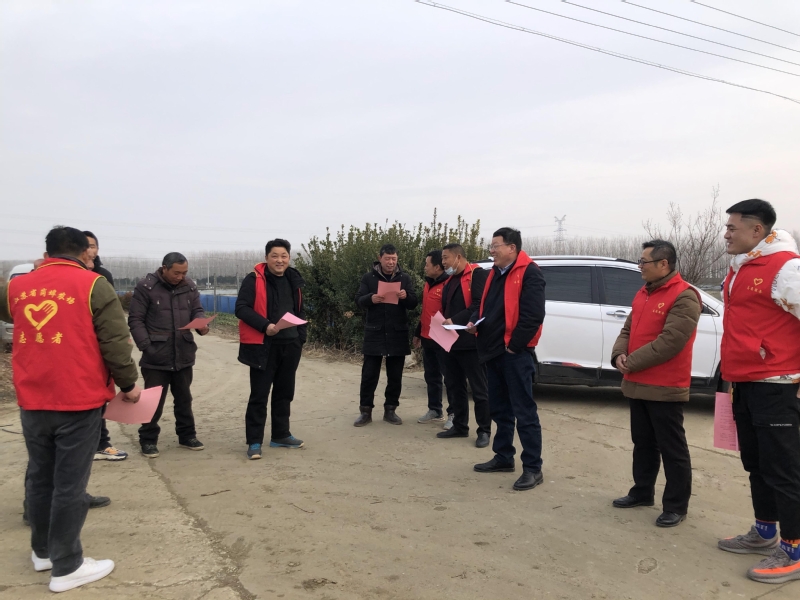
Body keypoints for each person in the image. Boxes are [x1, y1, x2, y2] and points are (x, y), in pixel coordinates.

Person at [0, 226, 141, 592]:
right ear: (83, 253)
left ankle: (43, 552)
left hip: (32, 399)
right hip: (78, 399)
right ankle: (67, 566)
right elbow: (114, 341)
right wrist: (128, 384)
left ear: (47, 253)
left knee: (41, 476)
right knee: (70, 484)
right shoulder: (94, 285)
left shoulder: (17, 286)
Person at [716, 199, 800, 584]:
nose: (726, 234)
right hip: (745, 381)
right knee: (757, 463)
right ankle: (765, 532)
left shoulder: (786, 268)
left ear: (757, 230)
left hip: (777, 384)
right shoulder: (741, 267)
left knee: (784, 470)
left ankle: (794, 549)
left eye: (732, 227)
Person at [610, 240, 700, 528]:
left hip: (665, 386)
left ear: (664, 264)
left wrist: (632, 361)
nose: (640, 267)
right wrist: (619, 354)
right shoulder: (643, 293)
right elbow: (628, 328)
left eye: (643, 262)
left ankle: (675, 505)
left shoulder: (684, 295)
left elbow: (671, 342)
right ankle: (642, 492)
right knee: (643, 443)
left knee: (672, 448)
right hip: (637, 382)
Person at [466, 227, 545, 491]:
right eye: (491, 246)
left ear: (512, 248)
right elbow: (484, 307)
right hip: (493, 352)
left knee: (524, 412)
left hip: (515, 354)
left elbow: (533, 316)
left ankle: (532, 468)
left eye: (495, 246)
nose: (491, 251)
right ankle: (503, 456)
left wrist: (514, 346)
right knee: (500, 409)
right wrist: (474, 321)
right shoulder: (494, 273)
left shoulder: (530, 273)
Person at [128, 252, 208, 458]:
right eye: (176, 273)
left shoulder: (189, 286)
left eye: (184, 273)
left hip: (183, 352)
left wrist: (201, 323)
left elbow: (197, 310)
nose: (180, 277)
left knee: (184, 398)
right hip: (156, 355)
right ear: (164, 268)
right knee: (152, 401)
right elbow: (135, 320)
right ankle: (148, 440)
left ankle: (187, 436)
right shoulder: (146, 287)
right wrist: (146, 346)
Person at [235, 239, 307, 460]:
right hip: (263, 346)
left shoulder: (293, 279)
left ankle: (281, 435)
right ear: (266, 258)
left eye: (284, 256)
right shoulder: (254, 280)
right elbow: (241, 308)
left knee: (285, 393)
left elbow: (300, 310)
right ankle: (254, 441)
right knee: (259, 395)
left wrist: (301, 338)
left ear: (289, 258)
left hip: (290, 344)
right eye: (275, 256)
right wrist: (265, 326)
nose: (279, 260)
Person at [354, 243, 418, 426]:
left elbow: (413, 303)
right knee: (369, 375)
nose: (391, 262)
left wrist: (406, 296)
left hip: (397, 332)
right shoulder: (369, 278)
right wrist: (371, 298)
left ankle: (391, 410)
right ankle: (365, 411)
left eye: (394, 259)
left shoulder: (404, 278)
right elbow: (358, 300)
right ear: (380, 258)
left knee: (395, 375)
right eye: (388, 259)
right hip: (375, 332)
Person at [439, 243, 492, 448]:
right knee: (454, 386)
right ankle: (460, 426)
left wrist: (455, 320)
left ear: (458, 257)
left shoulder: (477, 275)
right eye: (442, 259)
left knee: (479, 389)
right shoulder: (451, 279)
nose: (443, 262)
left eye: (446, 258)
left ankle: (484, 430)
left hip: (471, 342)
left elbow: (479, 305)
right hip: (451, 342)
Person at [83, 231, 128, 462]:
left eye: (93, 246)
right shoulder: (64, 278)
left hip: (97, 347)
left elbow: (112, 316)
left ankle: (101, 442)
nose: (90, 250)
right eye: (86, 246)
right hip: (75, 346)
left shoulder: (101, 277)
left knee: (98, 396)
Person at [413, 250, 452, 426]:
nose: (424, 267)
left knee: (450, 378)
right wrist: (417, 333)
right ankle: (435, 409)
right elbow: (426, 312)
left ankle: (454, 414)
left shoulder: (448, 285)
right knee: (431, 376)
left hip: (443, 337)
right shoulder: (428, 284)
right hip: (427, 337)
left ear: (437, 267)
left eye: (427, 264)